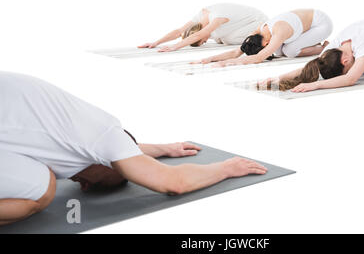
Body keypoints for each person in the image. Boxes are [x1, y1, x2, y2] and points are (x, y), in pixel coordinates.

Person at [0, 72, 267, 226]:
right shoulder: (105, 139)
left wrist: (164, 149)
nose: (83, 186)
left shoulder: (88, 127)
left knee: (37, 176)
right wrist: (225, 167)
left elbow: (113, 149)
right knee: (41, 191)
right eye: (97, 183)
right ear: (110, 163)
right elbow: (172, 182)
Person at [257, 16, 364, 92]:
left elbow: (350, 79)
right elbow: (309, 67)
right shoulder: (333, 49)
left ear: (346, 60)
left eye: (347, 68)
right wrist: (278, 78)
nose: (350, 70)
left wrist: (314, 85)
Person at [191, 9, 332, 66]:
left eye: (266, 48)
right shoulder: (257, 33)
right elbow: (236, 52)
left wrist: (228, 63)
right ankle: (309, 41)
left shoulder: (279, 31)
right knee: (278, 51)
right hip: (301, 26)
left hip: (320, 24)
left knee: (289, 51)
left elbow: (259, 58)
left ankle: (322, 47)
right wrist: (209, 59)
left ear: (265, 44)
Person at [138, 3, 268, 52]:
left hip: (256, 21)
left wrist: (174, 47)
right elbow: (179, 31)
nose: (205, 41)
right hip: (237, 24)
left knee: (227, 39)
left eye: (202, 41)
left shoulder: (216, 18)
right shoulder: (198, 20)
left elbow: (200, 34)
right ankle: (223, 37)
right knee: (219, 36)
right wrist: (156, 42)